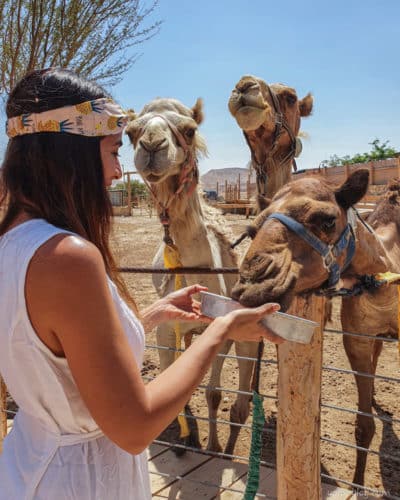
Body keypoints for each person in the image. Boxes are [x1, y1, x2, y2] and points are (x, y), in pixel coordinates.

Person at [0, 68, 282, 500]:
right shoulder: (67, 259)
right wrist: (222, 328)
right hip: (80, 482)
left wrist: (148, 316)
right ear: (69, 153)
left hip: (30, 465)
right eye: (115, 151)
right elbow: (134, 427)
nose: (118, 171)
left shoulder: (13, 242)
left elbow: (51, 346)